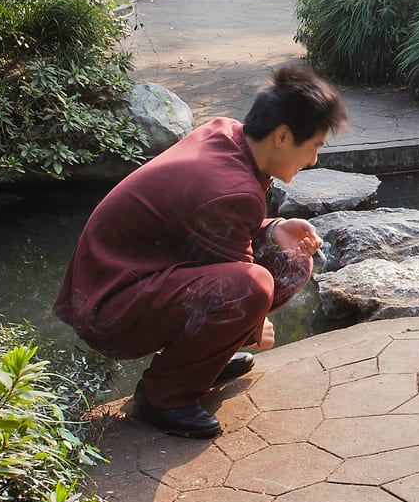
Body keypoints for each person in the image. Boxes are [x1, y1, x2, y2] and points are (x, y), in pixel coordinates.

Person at [54, 64, 348, 439]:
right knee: (255, 286)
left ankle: (199, 362)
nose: (314, 160)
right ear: (283, 136)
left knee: (291, 261)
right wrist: (255, 323)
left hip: (132, 280)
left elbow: (204, 227)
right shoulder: (232, 188)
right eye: (315, 147)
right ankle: (166, 396)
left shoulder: (226, 132)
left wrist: (275, 229)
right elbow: (241, 279)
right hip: (110, 309)